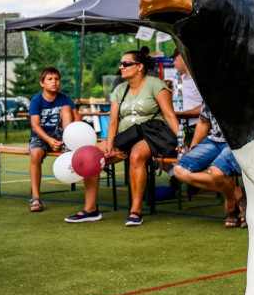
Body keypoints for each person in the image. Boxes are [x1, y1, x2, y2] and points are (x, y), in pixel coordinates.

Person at [65, 51, 179, 226]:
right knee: (90, 155)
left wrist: (181, 142)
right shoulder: (120, 88)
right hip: (126, 136)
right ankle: (91, 209)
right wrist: (110, 143)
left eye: (126, 64)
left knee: (136, 155)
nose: (121, 67)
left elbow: (170, 115)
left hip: (151, 135)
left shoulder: (156, 85)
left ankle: (135, 210)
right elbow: (113, 121)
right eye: (121, 64)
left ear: (140, 67)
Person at [171, 102, 245, 227]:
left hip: (238, 140)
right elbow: (204, 121)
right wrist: (194, 147)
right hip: (214, 140)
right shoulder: (210, 88)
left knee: (218, 172)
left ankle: (230, 207)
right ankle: (237, 193)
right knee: (179, 170)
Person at [27, 67, 78, 212]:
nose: (54, 82)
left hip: (61, 135)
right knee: (36, 154)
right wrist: (49, 141)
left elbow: (77, 119)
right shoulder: (37, 100)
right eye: (50, 79)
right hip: (42, 136)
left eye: (56, 79)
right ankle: (36, 198)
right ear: (42, 83)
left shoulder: (65, 99)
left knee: (67, 108)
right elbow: (35, 126)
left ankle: (67, 144)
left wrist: (66, 139)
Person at [171, 49, 202, 144]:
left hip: (198, 126)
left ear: (182, 56)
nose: (173, 63)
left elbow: (207, 108)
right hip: (180, 126)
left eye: (175, 59)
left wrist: (183, 113)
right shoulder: (177, 80)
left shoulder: (199, 80)